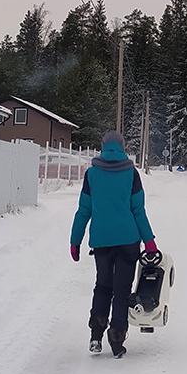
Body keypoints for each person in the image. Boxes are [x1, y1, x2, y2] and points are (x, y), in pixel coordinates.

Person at [70, 130, 157, 358]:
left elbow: (84, 210)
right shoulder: (131, 173)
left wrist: (75, 241)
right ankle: (117, 339)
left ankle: (96, 336)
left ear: (102, 146)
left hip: (102, 241)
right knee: (121, 291)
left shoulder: (92, 174)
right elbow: (138, 210)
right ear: (123, 147)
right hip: (128, 240)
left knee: (103, 286)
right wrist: (149, 241)